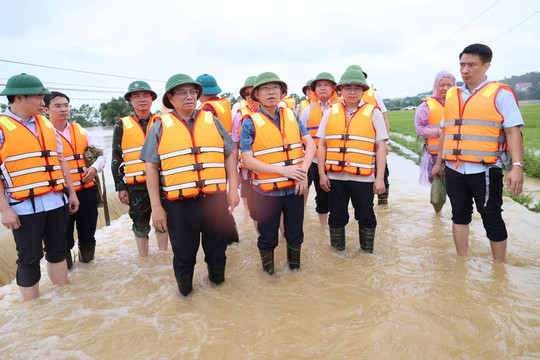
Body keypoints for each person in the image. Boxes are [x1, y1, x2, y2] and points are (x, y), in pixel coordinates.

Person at [141, 74, 239, 296]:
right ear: (170, 98)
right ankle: (186, 298)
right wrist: (157, 207)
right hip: (180, 205)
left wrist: (233, 188)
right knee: (184, 257)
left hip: (214, 201)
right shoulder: (159, 126)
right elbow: (151, 168)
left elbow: (230, 151)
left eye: (193, 92)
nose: (189, 96)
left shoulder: (211, 120)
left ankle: (219, 298)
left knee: (218, 253)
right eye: (183, 92)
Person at [432, 43, 524, 263]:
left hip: (485, 169)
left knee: (491, 216)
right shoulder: (452, 95)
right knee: (459, 215)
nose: (465, 70)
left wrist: (517, 167)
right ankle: (462, 263)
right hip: (454, 168)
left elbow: (512, 133)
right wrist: (439, 162)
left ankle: (498, 268)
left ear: (486, 66)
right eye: (462, 64)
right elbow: (445, 132)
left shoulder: (500, 94)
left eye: (471, 65)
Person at [0, 73, 80, 301]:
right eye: (38, 96)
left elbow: (60, 159)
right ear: (18, 98)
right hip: (23, 207)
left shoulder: (45, 123)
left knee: (58, 251)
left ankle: (62, 301)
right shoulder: (1, 127)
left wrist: (71, 192)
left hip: (56, 201)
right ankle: (33, 310)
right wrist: (4, 209)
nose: (42, 101)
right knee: (29, 258)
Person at [241, 72, 315, 274]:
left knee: (295, 234)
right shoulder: (249, 122)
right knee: (267, 238)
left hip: (294, 190)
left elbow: (310, 144)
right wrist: (283, 170)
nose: (271, 92)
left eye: (275, 87)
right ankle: (269, 277)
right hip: (266, 193)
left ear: (282, 92)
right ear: (256, 94)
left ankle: (295, 273)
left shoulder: (292, 115)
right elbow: (247, 160)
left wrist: (303, 172)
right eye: (265, 88)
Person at [317, 68, 388, 253]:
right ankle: (337, 257)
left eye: (357, 88)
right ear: (340, 89)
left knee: (366, 216)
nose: (352, 92)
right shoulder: (330, 112)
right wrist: (321, 174)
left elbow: (381, 147)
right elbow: (322, 145)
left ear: (363, 90)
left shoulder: (374, 113)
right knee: (337, 217)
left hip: (363, 178)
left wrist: (379, 178)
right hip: (335, 177)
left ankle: (366, 255)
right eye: (348, 87)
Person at [44, 91, 106, 268]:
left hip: (86, 190)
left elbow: (102, 153)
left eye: (66, 105)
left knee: (88, 233)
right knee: (63, 237)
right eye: (57, 106)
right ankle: (68, 273)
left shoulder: (80, 130)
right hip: (60, 195)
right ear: (46, 110)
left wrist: (94, 168)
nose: (63, 109)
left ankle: (88, 269)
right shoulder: (44, 133)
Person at [111, 81, 168, 257]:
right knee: (140, 225)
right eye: (136, 96)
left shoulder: (162, 122)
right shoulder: (122, 125)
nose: (141, 99)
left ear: (152, 99)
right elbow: (116, 158)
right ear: (130, 100)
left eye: (145, 95)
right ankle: (144, 262)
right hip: (136, 186)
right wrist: (120, 187)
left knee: (163, 221)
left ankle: (163, 259)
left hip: (161, 183)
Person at [196, 73, 239, 244]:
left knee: (216, 202)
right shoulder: (224, 103)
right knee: (221, 200)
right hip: (227, 156)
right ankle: (232, 239)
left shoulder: (206, 108)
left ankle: (225, 239)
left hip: (214, 159)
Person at [300, 72, 341, 227]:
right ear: (314, 89)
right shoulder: (307, 110)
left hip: (338, 159)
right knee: (321, 195)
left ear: (333, 88)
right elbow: (301, 135)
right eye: (319, 85)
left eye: (326, 85)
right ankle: (324, 227)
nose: (322, 88)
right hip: (317, 160)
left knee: (338, 195)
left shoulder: (342, 106)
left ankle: (336, 225)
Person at [347, 64, 392, 205]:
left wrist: (386, 143)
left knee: (382, 172)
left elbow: (384, 118)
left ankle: (383, 202)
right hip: (357, 146)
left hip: (375, 142)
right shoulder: (344, 97)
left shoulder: (374, 94)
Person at [414, 71, 456, 215]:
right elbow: (419, 128)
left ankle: (459, 216)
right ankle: (439, 216)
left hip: (456, 156)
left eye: (449, 85)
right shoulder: (426, 106)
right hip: (434, 156)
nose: (445, 88)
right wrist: (441, 132)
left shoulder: (459, 103)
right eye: (441, 85)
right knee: (438, 191)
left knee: (458, 191)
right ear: (435, 86)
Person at [231, 76, 259, 231]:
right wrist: (234, 171)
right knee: (255, 213)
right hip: (248, 171)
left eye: (254, 92)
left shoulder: (281, 114)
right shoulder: (238, 117)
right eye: (247, 94)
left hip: (274, 172)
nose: (251, 97)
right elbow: (235, 146)